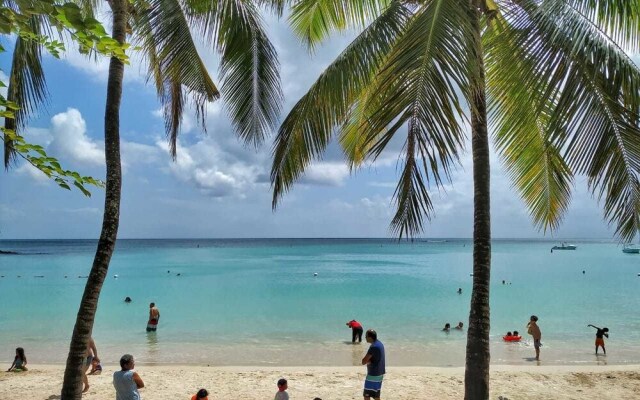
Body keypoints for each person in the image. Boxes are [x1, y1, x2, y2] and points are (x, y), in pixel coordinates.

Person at [362, 329, 385, 400]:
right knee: (376, 396)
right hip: (380, 373)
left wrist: (368, 361)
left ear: (370, 337)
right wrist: (370, 361)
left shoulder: (373, 347)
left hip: (373, 374)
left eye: (366, 336)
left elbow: (363, 361)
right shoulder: (380, 343)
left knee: (366, 395)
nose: (365, 337)